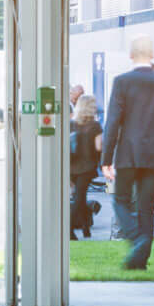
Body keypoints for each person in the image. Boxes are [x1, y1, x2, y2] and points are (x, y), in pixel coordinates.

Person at [108, 38, 154, 271]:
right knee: (147, 206)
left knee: (120, 200)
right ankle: (140, 258)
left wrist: (105, 160)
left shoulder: (122, 82)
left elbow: (113, 122)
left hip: (128, 152)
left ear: (131, 55)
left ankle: (136, 240)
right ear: (152, 54)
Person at [67, 91, 105, 240]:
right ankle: (68, 230)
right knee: (80, 197)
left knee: (80, 196)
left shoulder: (71, 124)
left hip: (71, 166)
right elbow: (98, 147)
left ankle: (85, 229)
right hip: (87, 167)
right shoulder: (95, 126)